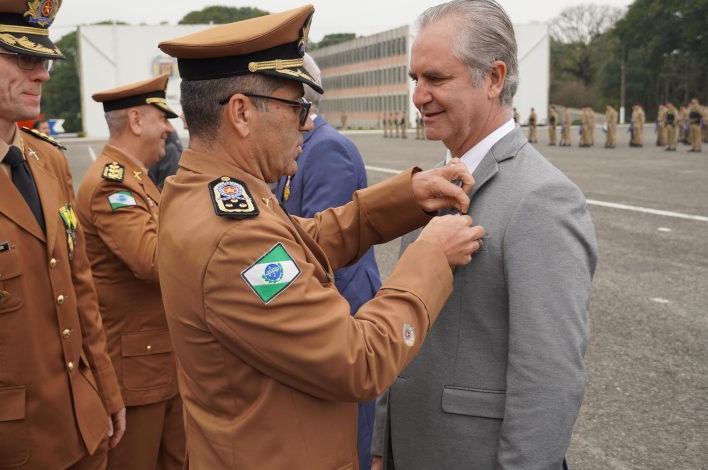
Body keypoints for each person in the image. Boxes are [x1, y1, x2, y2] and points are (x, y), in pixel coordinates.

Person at [156, 5, 485, 468]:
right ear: (241, 113)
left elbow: (303, 240)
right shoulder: (234, 237)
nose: (307, 122)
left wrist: (405, 198)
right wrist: (430, 256)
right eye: (296, 107)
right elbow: (359, 360)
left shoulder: (204, 192)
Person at [371, 2, 598, 469]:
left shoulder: (541, 197)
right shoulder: (432, 184)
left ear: (493, 78)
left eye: (436, 79)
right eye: (415, 79)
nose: (419, 96)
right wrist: (382, 446)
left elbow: (549, 375)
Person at [0, 1, 126, 468]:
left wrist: (106, 387)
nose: (41, 74)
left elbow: (79, 286)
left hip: (84, 427)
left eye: (43, 61)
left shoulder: (48, 159)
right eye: (23, 58)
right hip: (3, 447)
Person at [274, 53, 381, 470]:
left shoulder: (328, 149)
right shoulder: (299, 146)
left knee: (352, 435)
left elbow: (328, 250)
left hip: (345, 311)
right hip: (318, 314)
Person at [75, 74, 185, 470]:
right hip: (137, 370)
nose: (169, 128)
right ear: (136, 121)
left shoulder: (134, 178)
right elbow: (151, 259)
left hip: (157, 362)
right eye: (162, 118)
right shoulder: (112, 185)